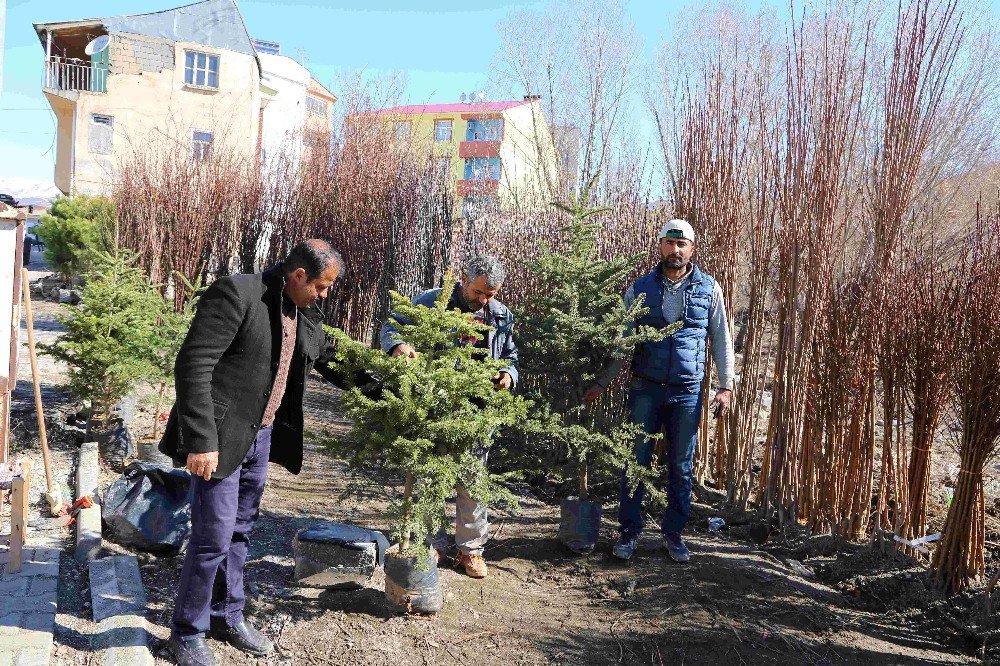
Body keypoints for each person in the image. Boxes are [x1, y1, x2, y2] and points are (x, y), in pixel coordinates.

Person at [159, 239, 352, 666]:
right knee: (212, 537)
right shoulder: (238, 293)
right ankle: (186, 633)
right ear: (299, 275)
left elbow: (330, 358)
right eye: (320, 287)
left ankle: (227, 614)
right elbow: (194, 364)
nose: (323, 296)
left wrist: (391, 380)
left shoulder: (302, 310)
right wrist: (201, 440)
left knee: (241, 530)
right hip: (220, 437)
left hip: (259, 437)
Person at [582, 219, 735, 563]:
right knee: (636, 460)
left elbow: (722, 340)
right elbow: (623, 341)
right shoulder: (639, 289)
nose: (675, 250)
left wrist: (726, 386)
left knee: (680, 465)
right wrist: (603, 381)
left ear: (692, 249)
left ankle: (674, 534)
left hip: (687, 392)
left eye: (682, 245)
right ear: (661, 246)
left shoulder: (709, 290)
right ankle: (629, 531)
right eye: (669, 243)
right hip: (645, 389)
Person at [379, 254, 518, 579]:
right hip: (433, 407)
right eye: (479, 293)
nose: (483, 300)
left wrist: (508, 374)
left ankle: (471, 550)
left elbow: (511, 354)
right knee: (429, 477)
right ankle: (433, 542)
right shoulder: (431, 302)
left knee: (472, 480)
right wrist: (398, 345)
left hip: (477, 411)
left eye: (491, 294)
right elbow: (392, 326)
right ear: (463, 279)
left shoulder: (499, 315)